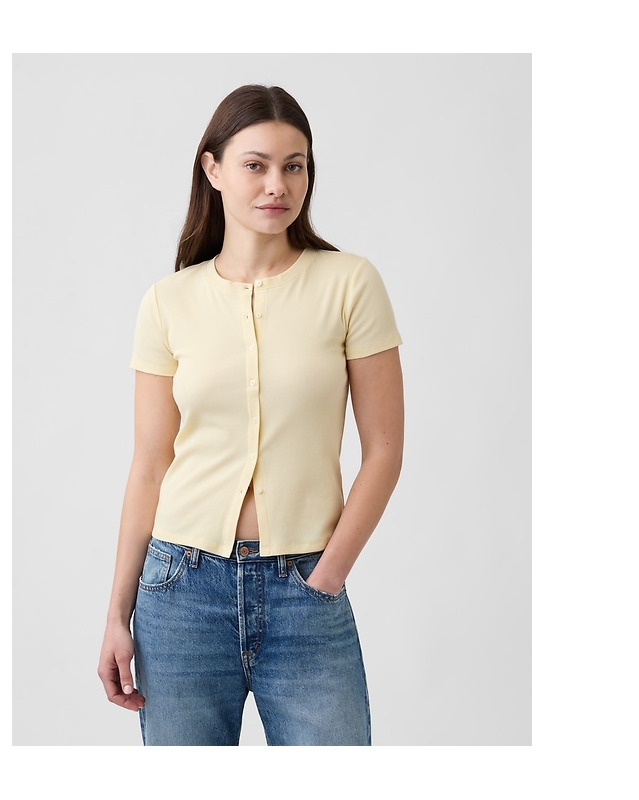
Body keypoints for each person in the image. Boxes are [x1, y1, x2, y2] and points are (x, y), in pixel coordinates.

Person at [97, 84, 404, 746]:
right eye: (256, 165)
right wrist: (117, 614)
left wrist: (328, 575)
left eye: (294, 165)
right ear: (212, 169)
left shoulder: (350, 284)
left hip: (306, 586)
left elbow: (384, 450)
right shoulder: (168, 302)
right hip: (179, 590)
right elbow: (149, 464)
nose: (277, 185)